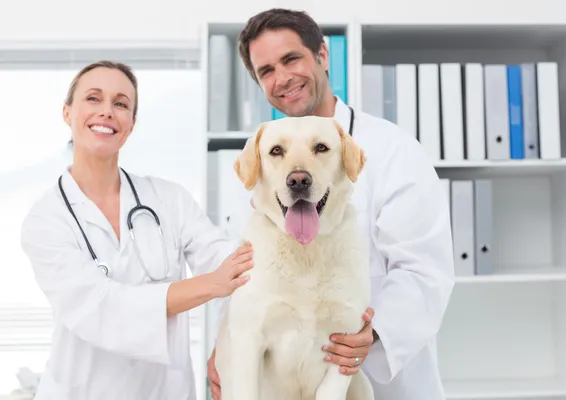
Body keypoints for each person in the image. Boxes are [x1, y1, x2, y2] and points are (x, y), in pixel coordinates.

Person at [206, 8, 456, 400]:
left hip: (388, 382)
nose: (282, 78)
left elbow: (425, 271)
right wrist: (225, 348)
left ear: (322, 56)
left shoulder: (393, 150)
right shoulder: (264, 164)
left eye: (291, 59)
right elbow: (249, 275)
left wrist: (373, 332)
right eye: (266, 70)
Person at [20, 60, 252, 400]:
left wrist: (272, 236)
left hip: (165, 392)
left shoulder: (169, 199)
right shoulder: (45, 221)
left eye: (121, 103)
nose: (107, 112)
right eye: (93, 99)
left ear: (130, 124)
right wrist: (211, 284)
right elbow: (101, 307)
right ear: (67, 112)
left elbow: (224, 258)